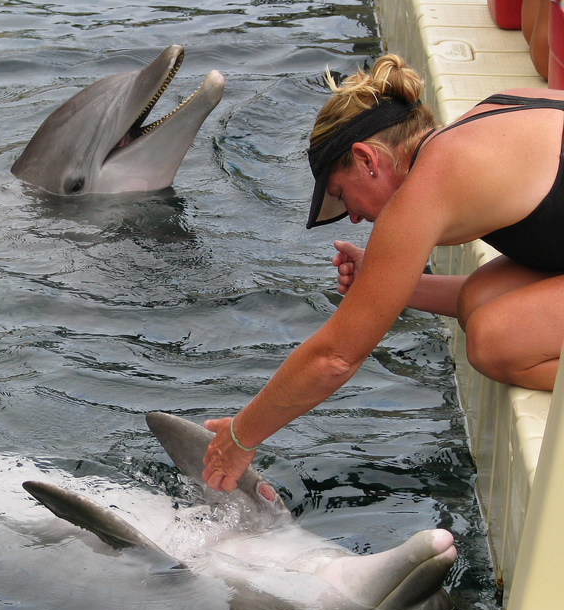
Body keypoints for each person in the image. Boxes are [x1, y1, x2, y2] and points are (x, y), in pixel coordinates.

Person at [201, 54, 564, 493]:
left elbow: (334, 357)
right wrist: (389, 284)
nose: (352, 218)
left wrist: (240, 437)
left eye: (340, 195)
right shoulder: (488, 117)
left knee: (495, 339)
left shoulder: (429, 185)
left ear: (367, 160)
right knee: (480, 299)